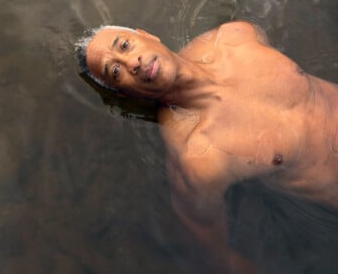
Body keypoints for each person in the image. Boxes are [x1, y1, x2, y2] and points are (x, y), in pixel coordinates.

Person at [77, 21, 338, 273]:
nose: (132, 62)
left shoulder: (236, 36)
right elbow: (216, 255)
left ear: (147, 35)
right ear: (124, 94)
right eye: (115, 71)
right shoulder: (197, 156)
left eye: (124, 46)